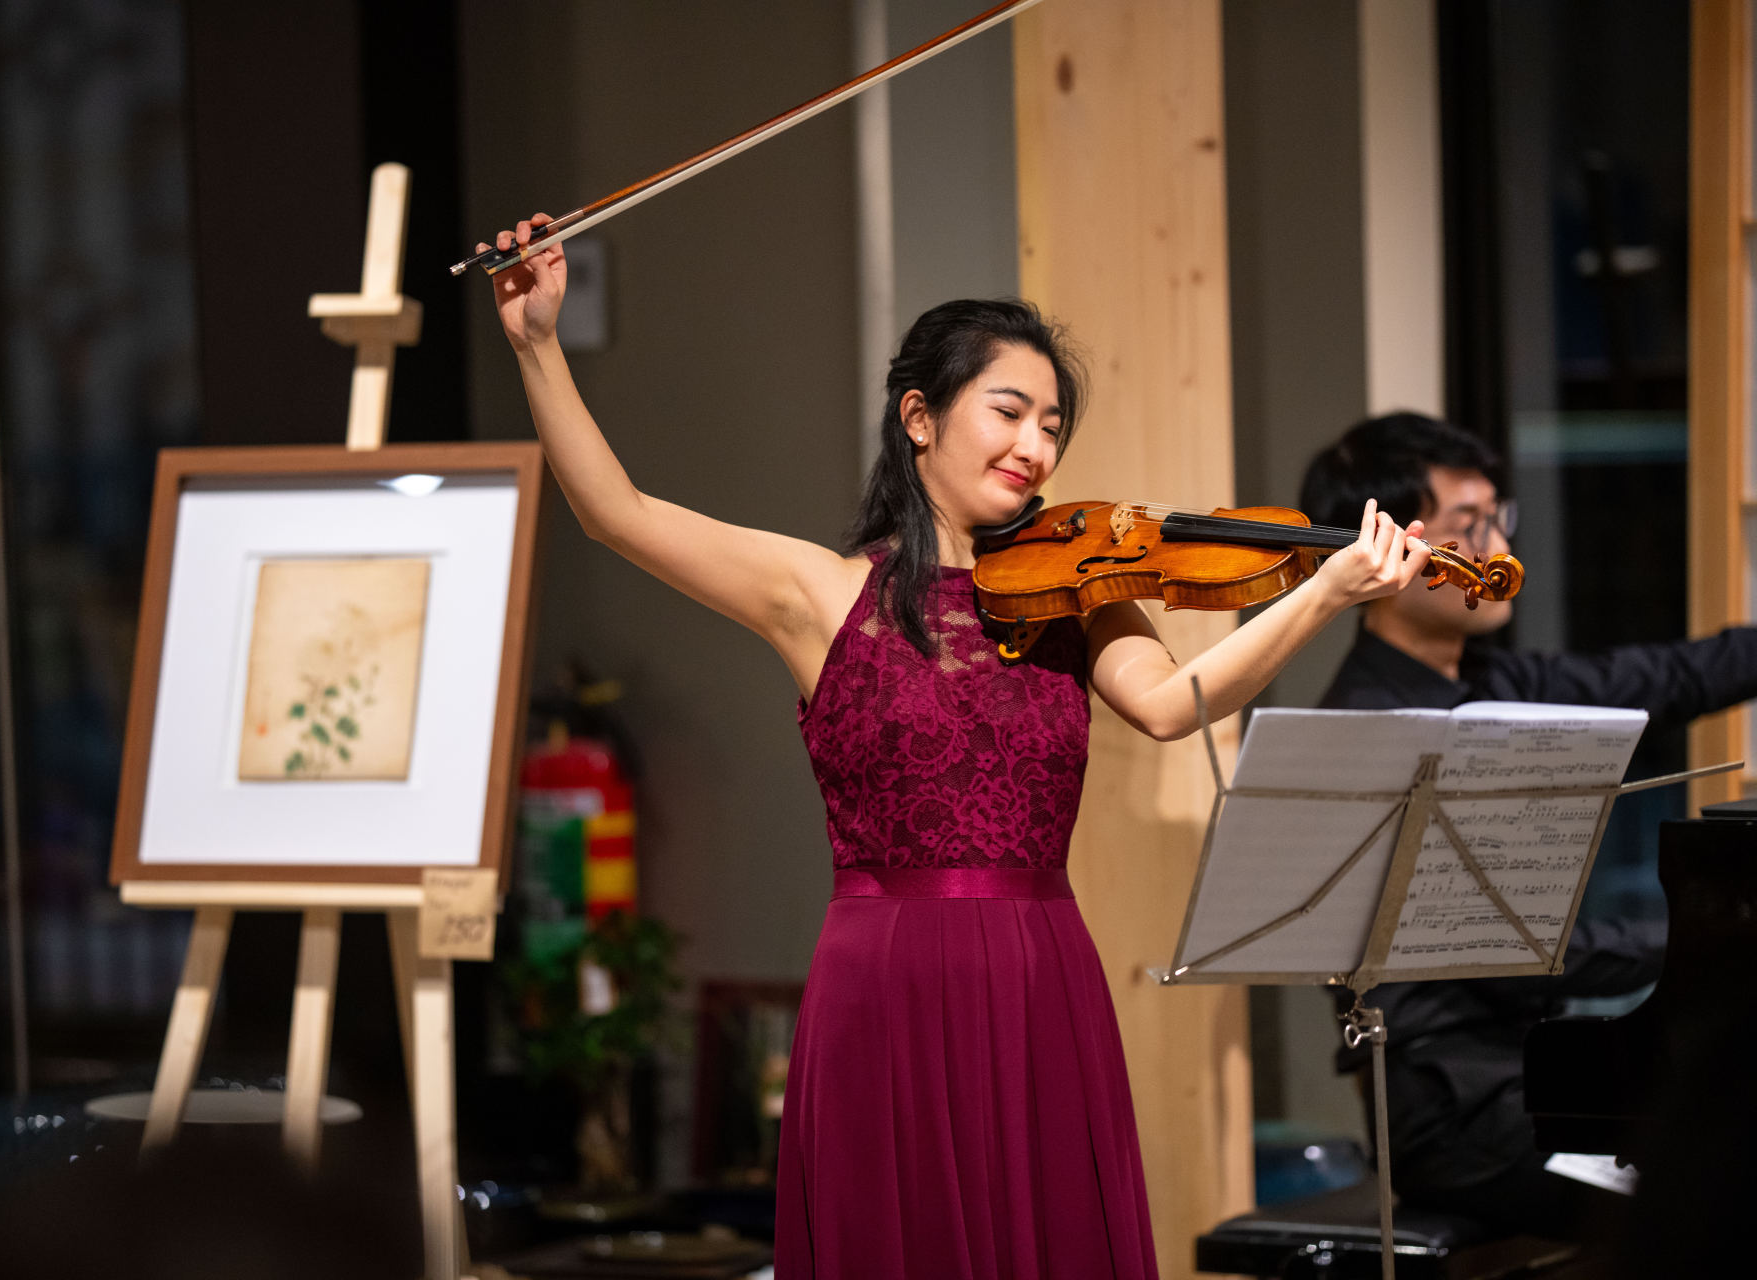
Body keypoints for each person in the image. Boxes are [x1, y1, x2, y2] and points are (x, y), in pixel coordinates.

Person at [480, 214, 1434, 1279]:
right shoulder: (822, 593)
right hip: (885, 981)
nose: (1036, 448)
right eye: (1009, 411)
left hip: (1042, 972)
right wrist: (537, 344)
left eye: (1053, 426)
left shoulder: (1079, 590)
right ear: (920, 418)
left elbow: (1173, 706)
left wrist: (1323, 595)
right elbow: (615, 512)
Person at [1299, 410, 1757, 1240]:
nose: (1497, 548)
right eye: (1468, 524)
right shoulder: (1364, 729)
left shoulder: (1501, 680)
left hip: (1545, 1074)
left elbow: (1666, 676)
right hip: (1457, 1113)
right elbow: (1509, 953)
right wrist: (1716, 934)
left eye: (1497, 518)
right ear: (1388, 548)